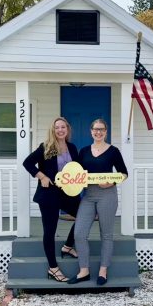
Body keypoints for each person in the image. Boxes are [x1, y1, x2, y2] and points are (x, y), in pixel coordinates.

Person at [68, 118, 128, 286]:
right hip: (88, 195)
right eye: (96, 129)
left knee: (106, 234)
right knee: (79, 233)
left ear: (106, 132)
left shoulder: (113, 151)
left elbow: (124, 173)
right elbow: (77, 173)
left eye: (102, 129)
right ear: (91, 131)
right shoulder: (84, 151)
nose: (98, 132)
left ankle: (103, 270)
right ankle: (84, 271)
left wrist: (112, 182)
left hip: (107, 194)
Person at [23, 117, 81, 282]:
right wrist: (41, 176)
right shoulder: (45, 147)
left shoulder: (72, 147)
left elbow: (77, 169)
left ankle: (68, 246)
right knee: (50, 231)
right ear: (53, 130)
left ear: (67, 129)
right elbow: (27, 163)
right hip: (49, 195)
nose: (60, 130)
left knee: (84, 215)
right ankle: (53, 268)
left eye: (63, 127)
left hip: (68, 193)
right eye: (57, 127)